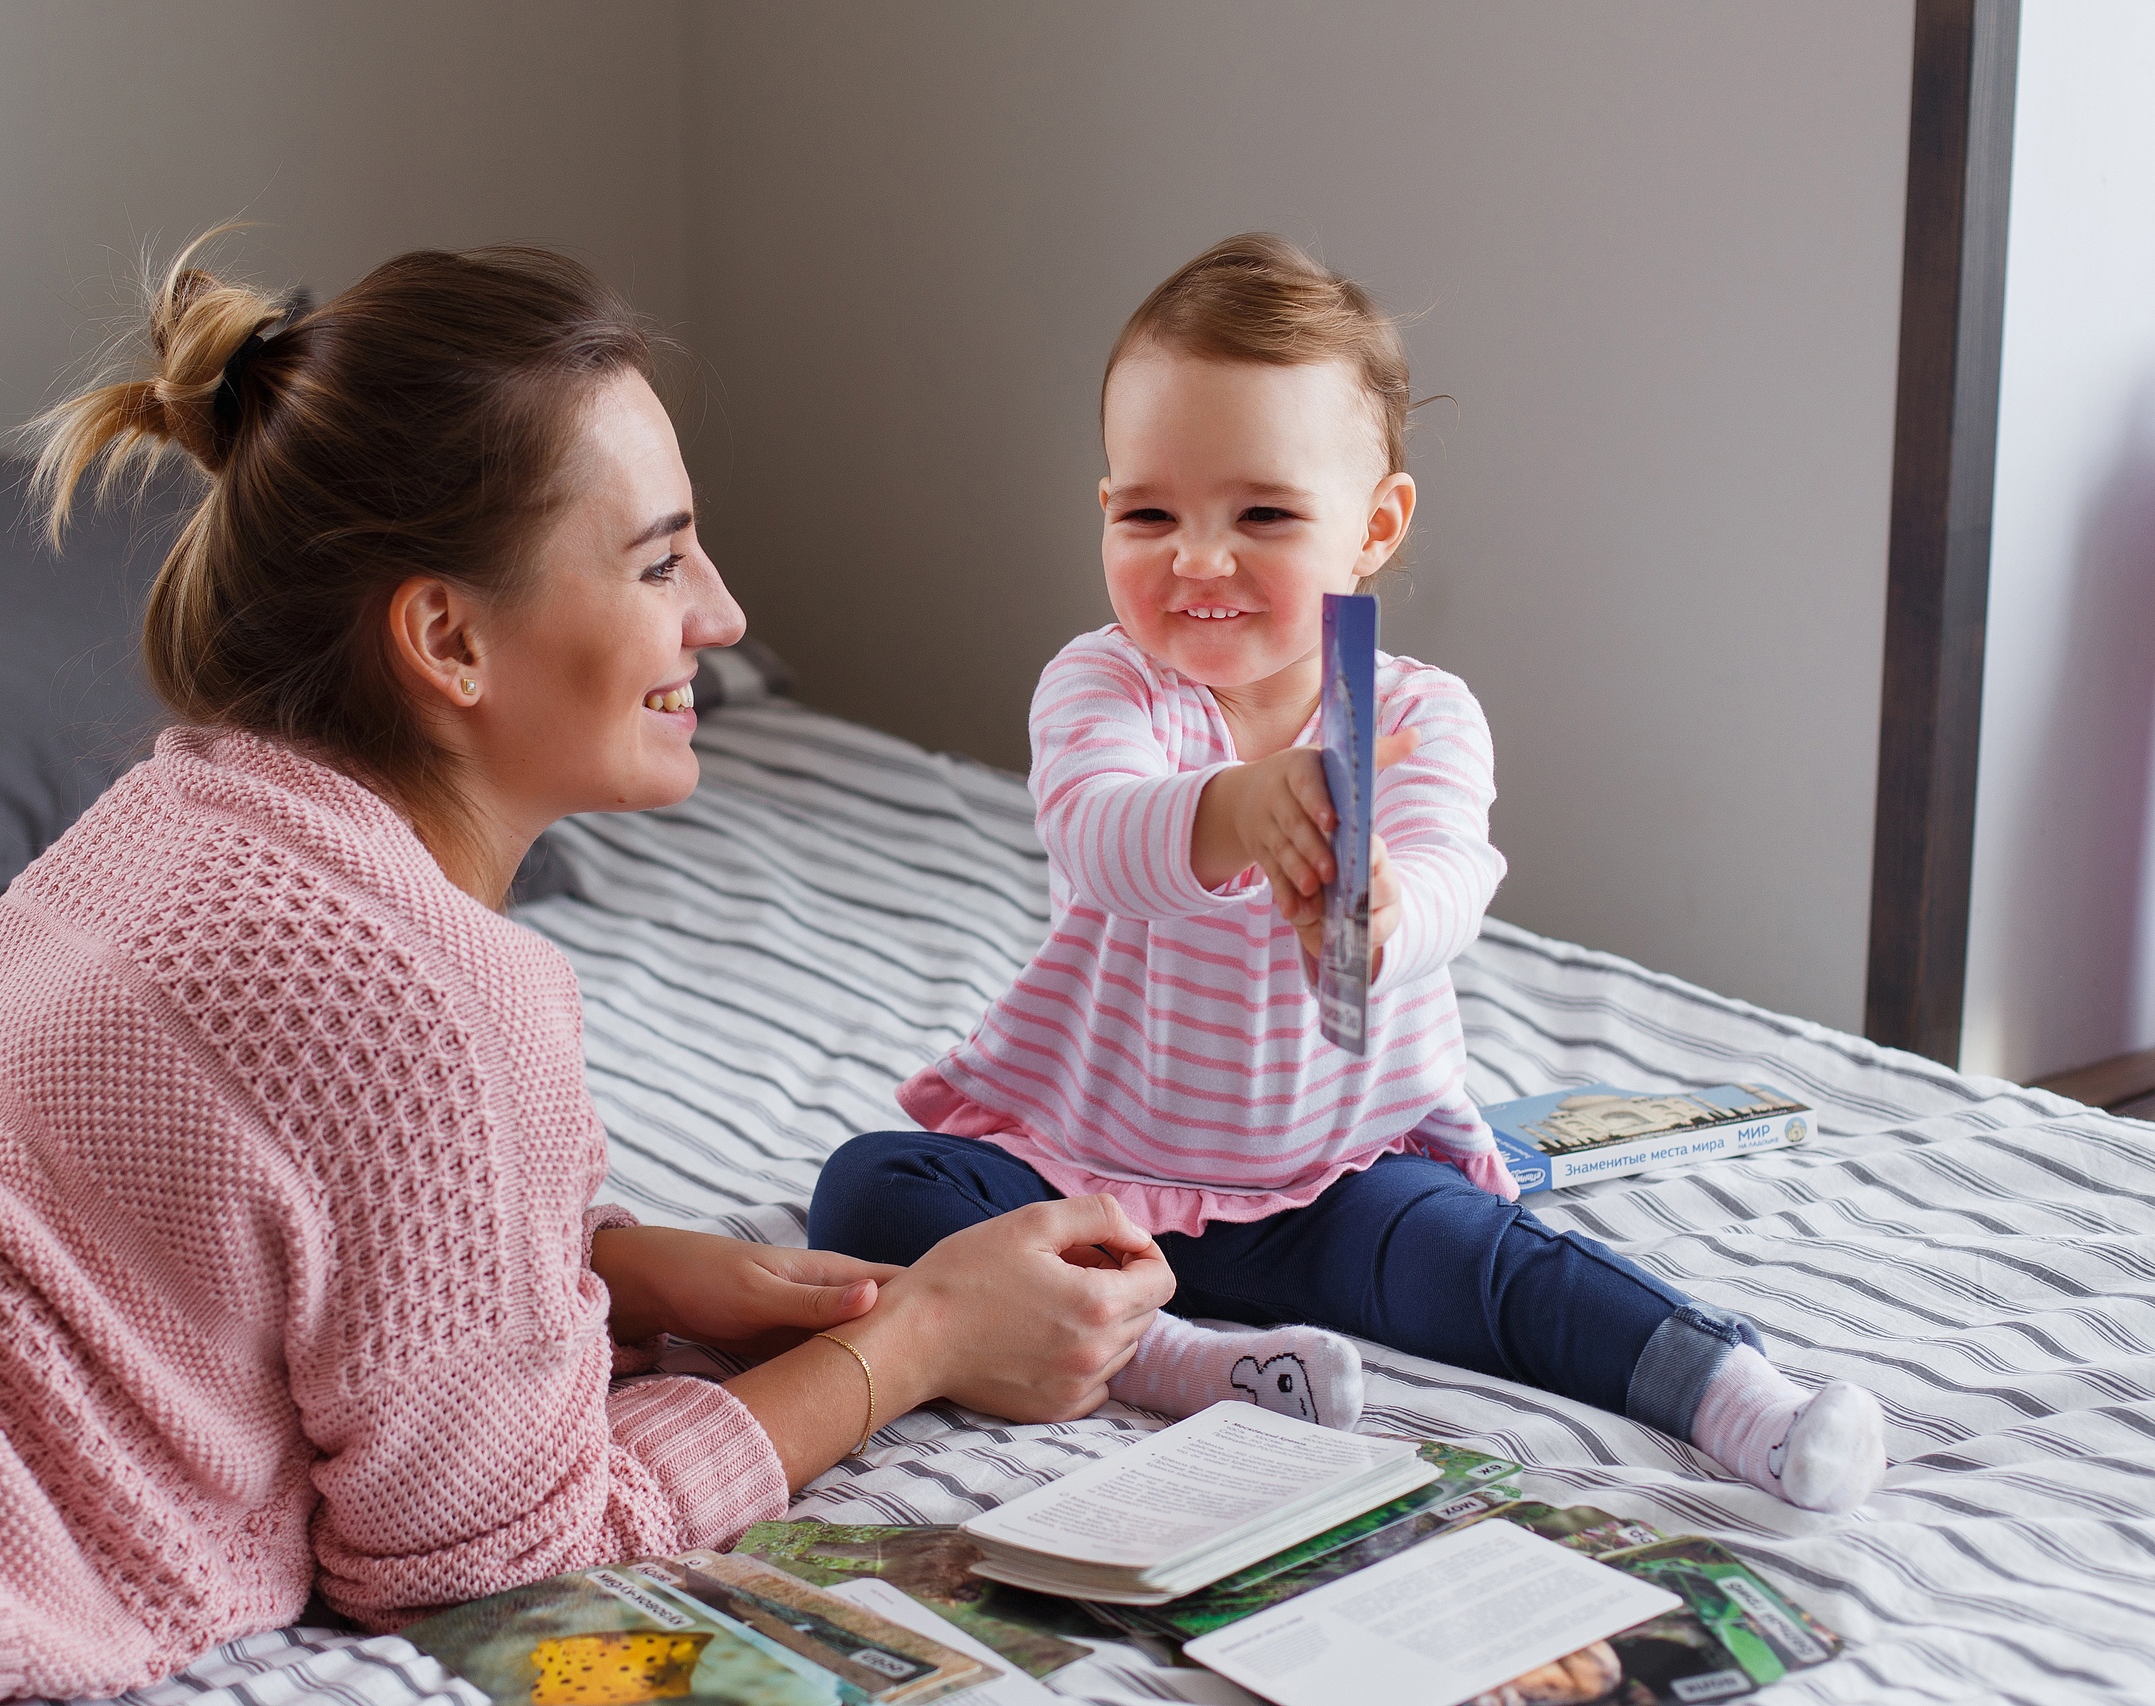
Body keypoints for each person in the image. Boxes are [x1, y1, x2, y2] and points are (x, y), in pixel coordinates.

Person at [0, 239, 1175, 1706]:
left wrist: (604, 1263)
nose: (724, 613)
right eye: (658, 562)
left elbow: (196, 1223)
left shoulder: (172, 813)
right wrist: (914, 1346)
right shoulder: (431, 995)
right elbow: (500, 1572)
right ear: (448, 639)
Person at [808, 234, 1887, 1513]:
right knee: (871, 1186)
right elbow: (1096, 833)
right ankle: (1176, 1361)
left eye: (1260, 513)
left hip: (1337, 1172)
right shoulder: (1104, 684)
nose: (1196, 558)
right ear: (1105, 513)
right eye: (1150, 513)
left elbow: (1450, 869)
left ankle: (1735, 1397)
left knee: (1497, 1263)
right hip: (1091, 1170)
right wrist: (1232, 809)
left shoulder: (1417, 715)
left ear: (1373, 526)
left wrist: (1381, 908)